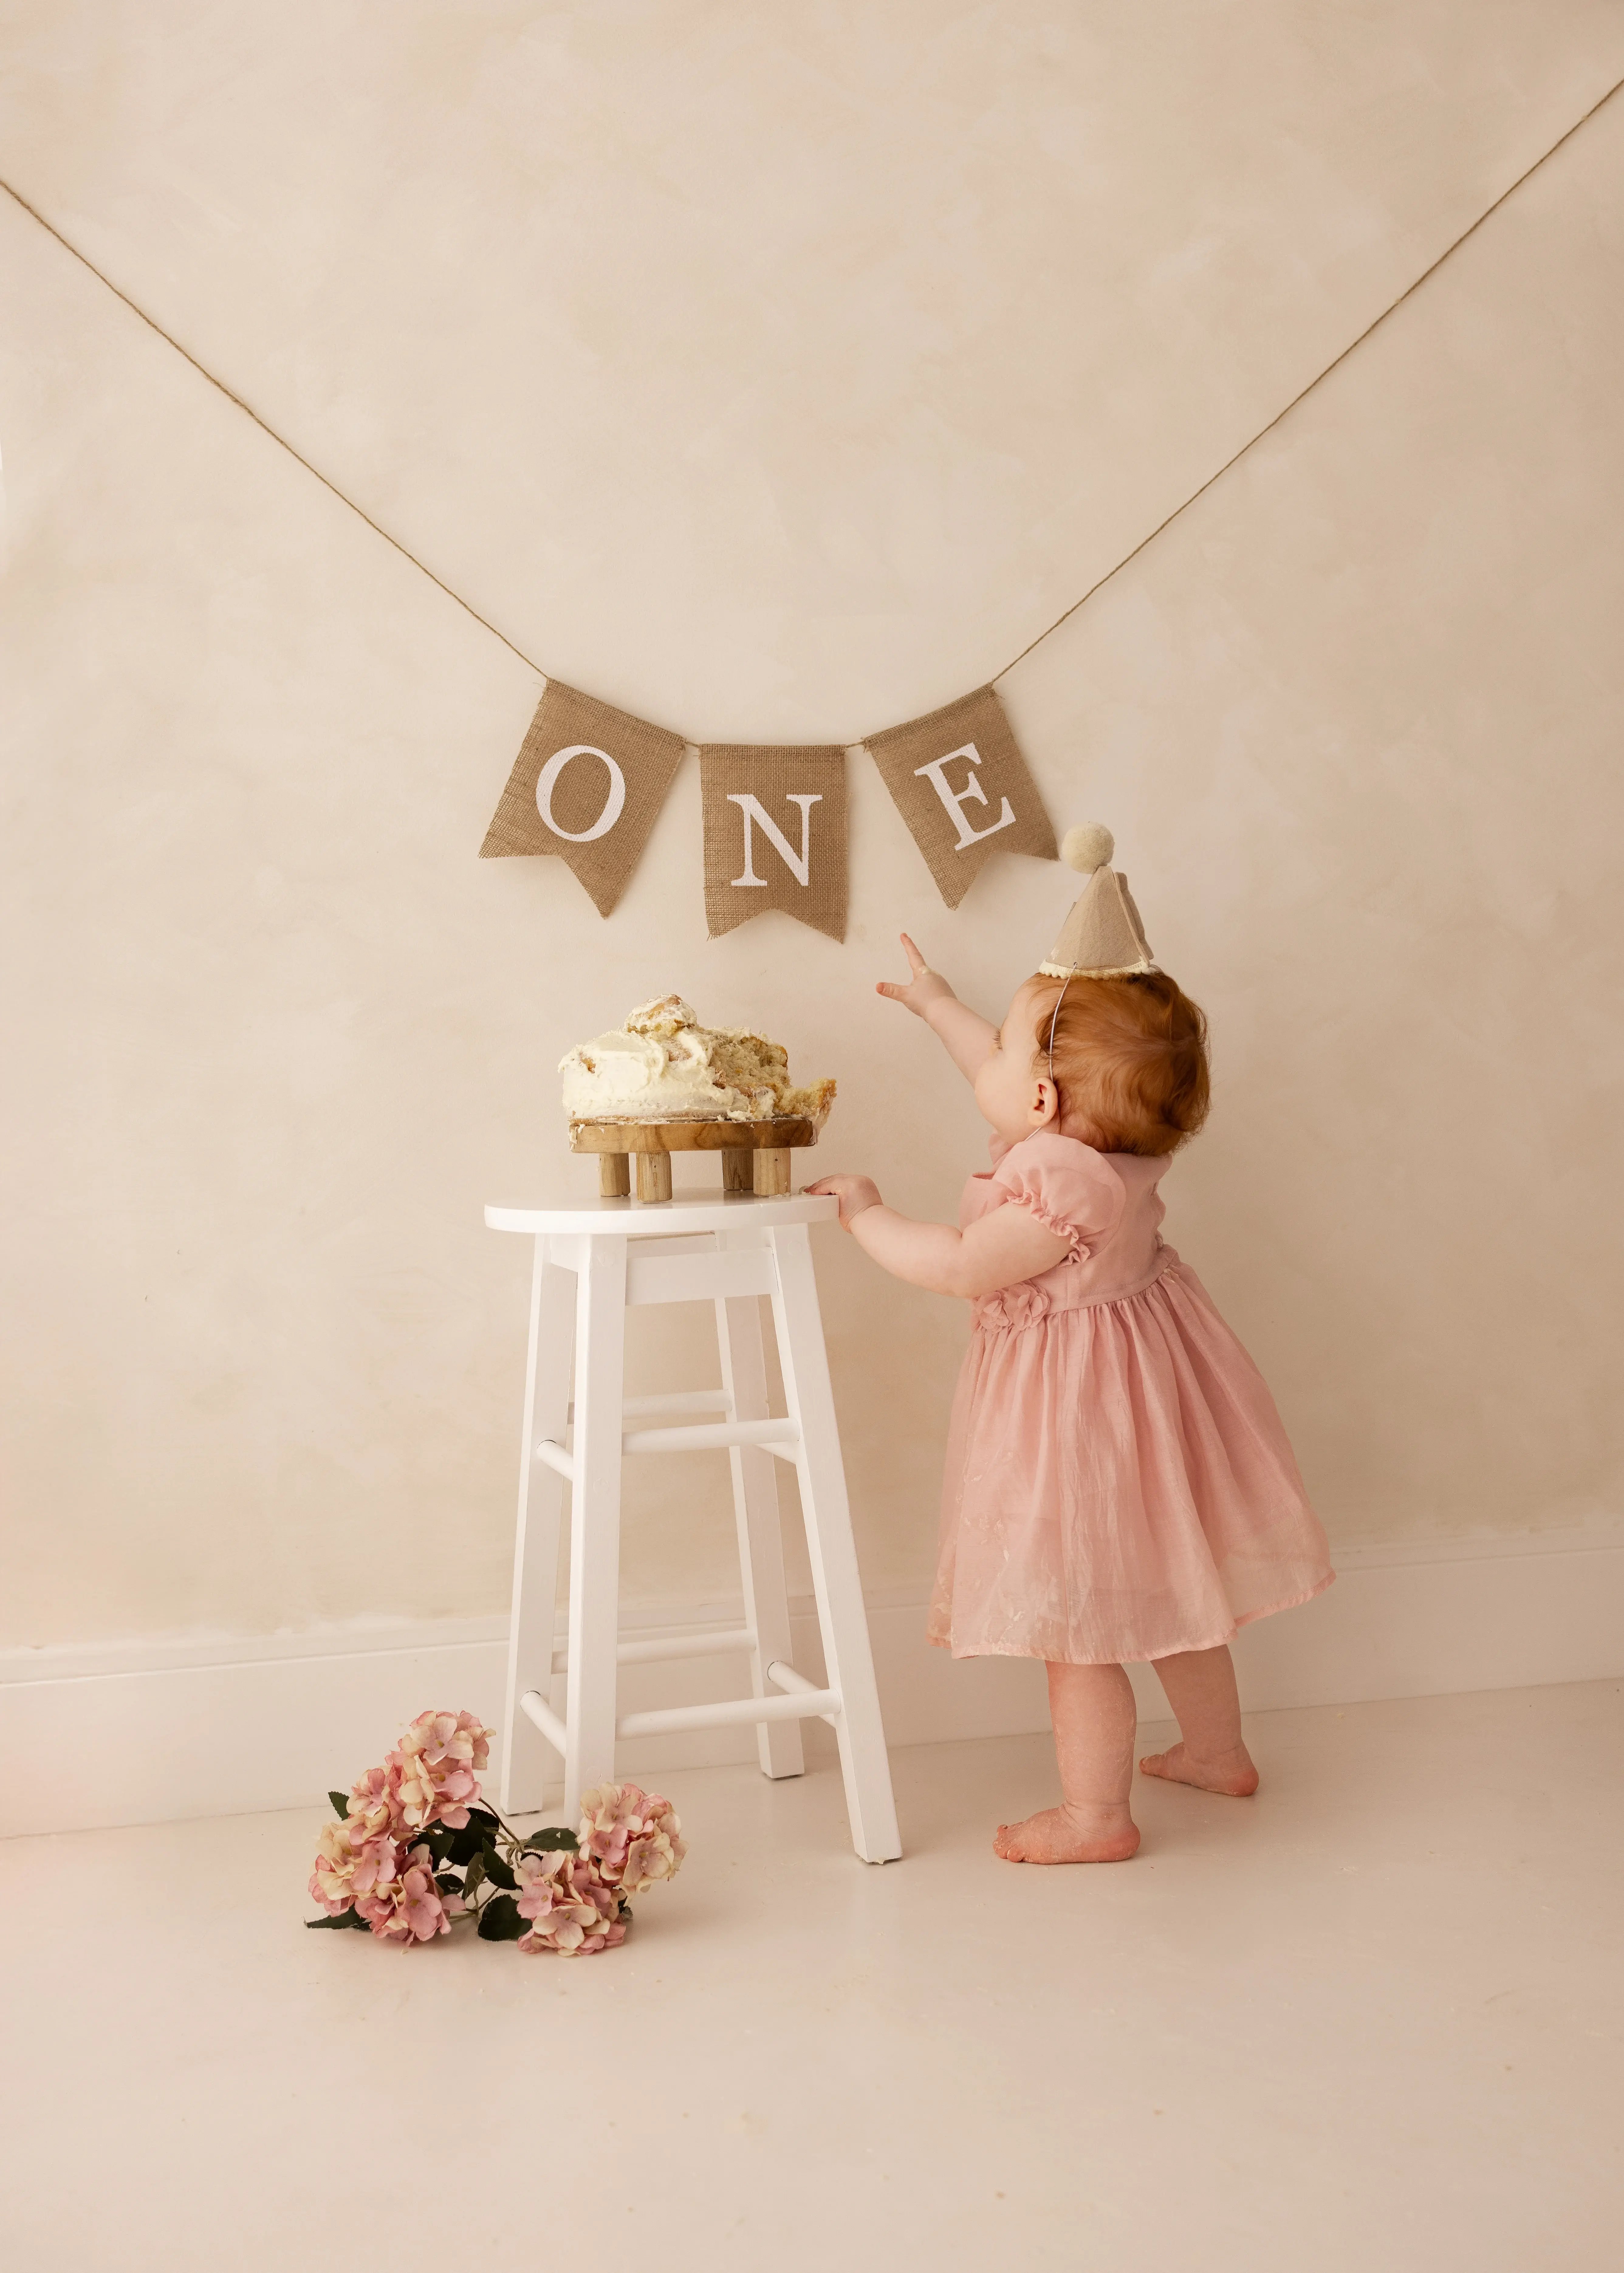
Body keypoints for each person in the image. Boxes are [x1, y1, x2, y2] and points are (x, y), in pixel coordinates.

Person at [808, 826, 1333, 1864]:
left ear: (1042, 1102)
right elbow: (1000, 1069)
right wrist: (938, 1007)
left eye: (1003, 1049)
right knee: (1172, 1595)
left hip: (1073, 1421)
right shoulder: (1112, 1154)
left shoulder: (1052, 1181)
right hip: (1148, 1401)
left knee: (1076, 1623)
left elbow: (962, 1264)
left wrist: (866, 1214)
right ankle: (1215, 1751)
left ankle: (1094, 1817)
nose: (986, 1065)